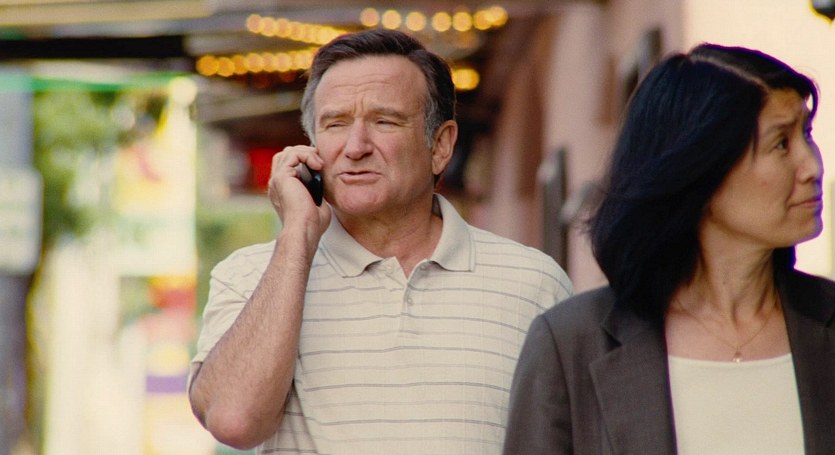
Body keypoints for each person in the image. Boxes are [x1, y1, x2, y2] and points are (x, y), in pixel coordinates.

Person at [188, 28, 573, 454]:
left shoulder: (534, 284)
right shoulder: (250, 275)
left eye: (384, 121)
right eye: (335, 124)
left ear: (440, 145)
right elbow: (234, 421)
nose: (355, 147)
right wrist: (296, 237)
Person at [503, 43, 835, 455]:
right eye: (781, 143)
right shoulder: (571, 344)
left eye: (806, 134)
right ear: (701, 169)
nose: (813, 166)